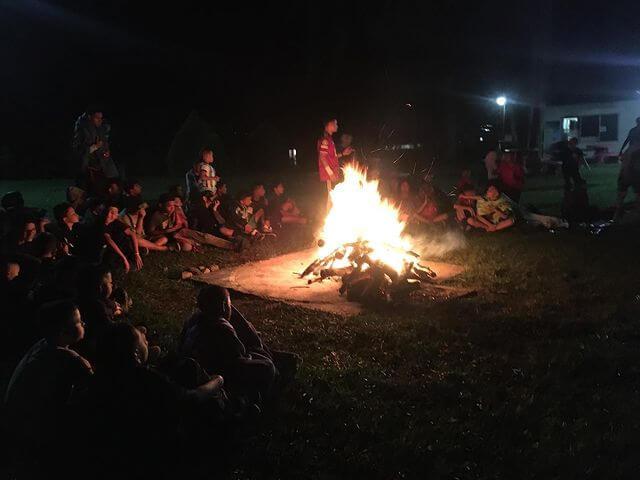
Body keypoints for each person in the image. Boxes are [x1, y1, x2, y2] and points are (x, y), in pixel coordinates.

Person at [85, 322, 228, 476]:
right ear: (135, 355)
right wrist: (218, 381)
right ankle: (233, 413)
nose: (146, 338)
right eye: (143, 340)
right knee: (210, 399)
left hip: (117, 452)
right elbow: (191, 399)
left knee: (187, 366)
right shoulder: (147, 381)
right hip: (155, 454)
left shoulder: (101, 379)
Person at [181, 286, 298, 403]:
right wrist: (254, 353)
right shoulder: (222, 329)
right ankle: (266, 391)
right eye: (229, 305)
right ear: (223, 306)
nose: (231, 309)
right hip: (221, 373)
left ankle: (274, 356)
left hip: (196, 367)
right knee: (268, 367)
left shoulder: (192, 321)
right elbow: (238, 358)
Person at [4, 300, 92, 447]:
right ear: (63, 331)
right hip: (31, 434)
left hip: (13, 423)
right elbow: (94, 384)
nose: (83, 323)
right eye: (78, 321)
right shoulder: (71, 360)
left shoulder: (41, 345)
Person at [72, 107, 118, 194]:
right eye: (97, 118)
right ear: (90, 117)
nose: (100, 120)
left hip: (100, 166)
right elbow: (77, 150)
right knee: (87, 192)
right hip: (87, 167)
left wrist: (106, 152)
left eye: (101, 118)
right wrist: (94, 147)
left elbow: (104, 144)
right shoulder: (82, 131)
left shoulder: (101, 130)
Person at [101, 204, 144, 273]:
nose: (110, 214)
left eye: (114, 213)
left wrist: (136, 253)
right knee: (116, 264)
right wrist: (124, 258)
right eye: (110, 212)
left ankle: (137, 253)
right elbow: (110, 242)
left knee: (137, 262)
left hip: (123, 247)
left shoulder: (116, 223)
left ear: (116, 216)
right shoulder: (102, 225)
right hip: (110, 251)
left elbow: (132, 234)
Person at [317, 118, 353, 195]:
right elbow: (322, 157)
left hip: (330, 175)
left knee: (332, 199)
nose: (337, 126)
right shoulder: (325, 140)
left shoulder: (329, 139)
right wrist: (330, 173)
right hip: (327, 177)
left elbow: (331, 157)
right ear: (329, 125)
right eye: (335, 124)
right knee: (329, 199)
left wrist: (343, 154)